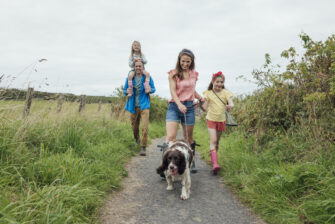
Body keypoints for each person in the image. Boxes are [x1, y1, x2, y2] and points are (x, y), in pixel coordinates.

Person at [163, 48, 204, 173]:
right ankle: (166, 165)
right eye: (183, 61)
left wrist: (201, 97)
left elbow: (191, 90)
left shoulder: (194, 74)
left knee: (188, 138)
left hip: (190, 108)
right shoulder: (173, 73)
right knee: (170, 137)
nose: (185, 64)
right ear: (179, 60)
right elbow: (173, 92)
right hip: (174, 107)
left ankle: (190, 161)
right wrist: (179, 104)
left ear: (191, 62)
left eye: (188, 62)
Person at [201, 71, 234, 175]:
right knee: (213, 141)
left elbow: (231, 103)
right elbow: (205, 108)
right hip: (211, 119)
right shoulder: (208, 93)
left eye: (221, 82)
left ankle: (214, 159)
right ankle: (215, 164)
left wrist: (230, 106)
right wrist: (201, 103)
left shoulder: (226, 93)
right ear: (213, 81)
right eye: (217, 82)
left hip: (221, 120)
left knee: (217, 143)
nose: (219, 84)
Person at [124, 60, 156, 156]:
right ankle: (137, 139)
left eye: (140, 66)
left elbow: (153, 88)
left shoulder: (147, 78)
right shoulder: (129, 78)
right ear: (134, 67)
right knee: (134, 127)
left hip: (144, 105)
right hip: (133, 106)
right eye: (136, 66)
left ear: (143, 67)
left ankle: (143, 147)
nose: (138, 68)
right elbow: (125, 90)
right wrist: (127, 91)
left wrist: (150, 89)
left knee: (145, 127)